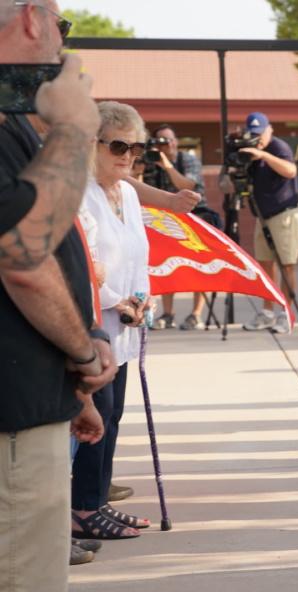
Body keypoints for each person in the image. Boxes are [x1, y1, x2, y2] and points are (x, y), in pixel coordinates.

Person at [0, 3, 114, 592]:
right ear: (31, 19)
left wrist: (74, 386)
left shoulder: (13, 115)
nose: (60, 45)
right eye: (61, 28)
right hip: (10, 424)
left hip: (28, 402)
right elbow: (24, 257)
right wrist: (74, 130)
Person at [70, 101, 157, 543]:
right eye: (118, 145)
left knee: (115, 413)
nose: (127, 156)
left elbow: (140, 255)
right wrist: (114, 299)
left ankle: (99, 501)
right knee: (95, 414)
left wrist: (141, 299)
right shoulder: (78, 191)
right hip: (93, 322)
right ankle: (82, 507)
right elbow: (83, 262)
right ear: (94, 144)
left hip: (126, 323)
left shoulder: (129, 191)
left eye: (136, 147)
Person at [144, 123, 217, 331]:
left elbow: (187, 186)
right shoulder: (151, 162)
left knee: (200, 265)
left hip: (195, 217)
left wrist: (167, 165)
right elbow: (139, 189)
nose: (165, 146)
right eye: (160, 142)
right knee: (166, 264)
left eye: (167, 141)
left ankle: (196, 314)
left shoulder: (189, 160)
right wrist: (142, 169)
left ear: (175, 142)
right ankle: (168, 314)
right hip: (167, 220)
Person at [239, 111, 298, 334]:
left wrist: (262, 155)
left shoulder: (278, 147)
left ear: (269, 130)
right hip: (262, 216)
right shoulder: (249, 149)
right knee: (265, 265)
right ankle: (267, 313)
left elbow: (291, 171)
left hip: (283, 213)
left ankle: (286, 313)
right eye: (253, 134)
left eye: (261, 133)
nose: (258, 138)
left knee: (286, 264)